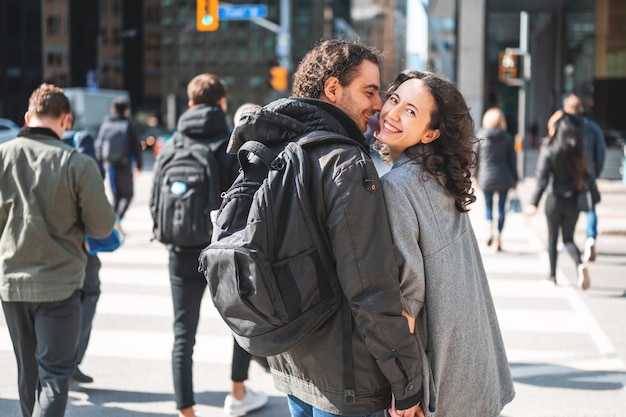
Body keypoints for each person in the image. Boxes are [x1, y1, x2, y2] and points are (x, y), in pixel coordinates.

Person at [227, 39, 423, 417]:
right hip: (346, 381)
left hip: (293, 366)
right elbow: (370, 288)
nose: (378, 104)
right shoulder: (345, 162)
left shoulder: (277, 143)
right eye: (369, 91)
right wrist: (407, 382)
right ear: (333, 88)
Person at [374, 70, 515, 417]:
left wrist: (403, 391)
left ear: (431, 132)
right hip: (475, 368)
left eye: (410, 111)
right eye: (394, 100)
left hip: (444, 379)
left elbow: (407, 301)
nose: (392, 113)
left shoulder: (397, 187)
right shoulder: (439, 176)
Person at [0, 83, 116, 417]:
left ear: (27, 117)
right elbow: (102, 227)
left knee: (28, 371)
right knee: (54, 377)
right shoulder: (76, 164)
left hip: (12, 285)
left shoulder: (3, 157)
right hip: (60, 286)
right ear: (65, 120)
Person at [150, 73, 241, 417]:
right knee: (241, 326)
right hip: (221, 253)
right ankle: (238, 390)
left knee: (183, 336)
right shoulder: (229, 141)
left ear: (189, 104)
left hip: (180, 249)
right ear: (222, 102)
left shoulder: (172, 144)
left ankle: (186, 411)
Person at [222, 101, 270, 417]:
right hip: (259, 252)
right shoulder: (270, 155)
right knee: (250, 324)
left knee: (242, 323)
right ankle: (240, 388)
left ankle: (239, 387)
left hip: (226, 253)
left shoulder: (229, 154)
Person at [62, 113, 106, 384]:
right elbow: (94, 180)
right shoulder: (81, 140)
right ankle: (71, 359)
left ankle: (55, 359)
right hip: (80, 236)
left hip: (43, 240)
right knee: (88, 292)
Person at [525, 111, 591, 290]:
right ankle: (579, 263)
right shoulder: (578, 151)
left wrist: (534, 203)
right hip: (573, 201)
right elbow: (587, 175)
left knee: (553, 238)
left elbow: (542, 180)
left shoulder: (550, 151)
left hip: (554, 201)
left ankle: (552, 276)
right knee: (568, 238)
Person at [562, 93, 606, 262]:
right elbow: (601, 152)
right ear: (580, 108)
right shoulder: (592, 127)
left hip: (568, 175)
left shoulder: (564, 126)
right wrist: (596, 171)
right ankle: (590, 239)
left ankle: (567, 239)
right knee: (590, 209)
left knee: (566, 209)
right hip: (588, 173)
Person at [475, 107, 518, 251]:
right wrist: (516, 178)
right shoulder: (507, 138)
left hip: (486, 177)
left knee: (488, 206)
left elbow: (476, 160)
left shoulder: (481, 136)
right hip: (504, 177)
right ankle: (499, 235)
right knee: (501, 208)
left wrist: (474, 176)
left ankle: (489, 228)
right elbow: (512, 161)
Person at [96, 97, 143, 220]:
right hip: (125, 165)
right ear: (126, 111)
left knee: (116, 197)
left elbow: (99, 146)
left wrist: (99, 164)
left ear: (113, 110)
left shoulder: (105, 125)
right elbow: (137, 148)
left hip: (110, 165)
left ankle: (112, 223)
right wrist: (139, 166)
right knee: (127, 195)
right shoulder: (127, 125)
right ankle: (115, 222)